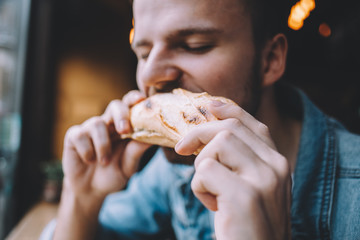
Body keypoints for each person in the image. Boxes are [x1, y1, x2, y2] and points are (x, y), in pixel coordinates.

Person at [40, 0, 360, 239]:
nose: (149, 74)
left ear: (270, 60)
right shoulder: (174, 168)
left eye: (195, 46)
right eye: (143, 52)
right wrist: (82, 198)